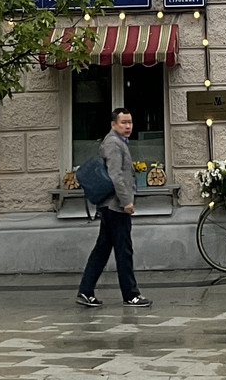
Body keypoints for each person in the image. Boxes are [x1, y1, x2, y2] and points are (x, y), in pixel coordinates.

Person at [76, 108, 152, 308]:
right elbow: (116, 175)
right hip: (115, 206)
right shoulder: (113, 143)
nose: (128, 126)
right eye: (123, 122)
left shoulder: (118, 142)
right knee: (123, 250)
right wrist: (126, 202)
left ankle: (85, 291)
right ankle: (131, 295)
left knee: (102, 250)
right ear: (113, 124)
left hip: (110, 206)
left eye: (130, 122)